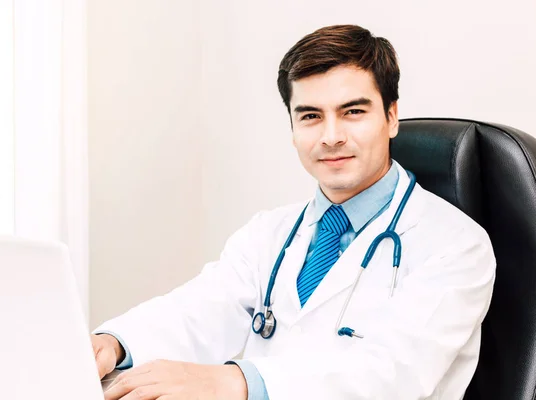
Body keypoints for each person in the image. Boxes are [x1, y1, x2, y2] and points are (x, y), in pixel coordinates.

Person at [92, 24, 496, 400]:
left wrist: (237, 380)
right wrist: (115, 343)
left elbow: (393, 374)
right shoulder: (269, 232)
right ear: (292, 128)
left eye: (353, 112)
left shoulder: (457, 245)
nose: (331, 136)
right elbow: (199, 310)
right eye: (310, 116)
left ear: (391, 117)